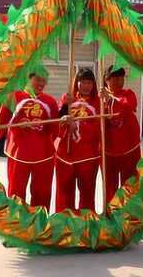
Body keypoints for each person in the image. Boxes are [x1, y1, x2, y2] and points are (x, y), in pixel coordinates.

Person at [0, 71, 58, 210]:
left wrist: (63, 121)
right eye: (37, 80)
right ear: (28, 78)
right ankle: (18, 226)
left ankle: (39, 224)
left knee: (42, 194)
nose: (41, 84)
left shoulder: (50, 101)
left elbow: (55, 129)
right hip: (18, 154)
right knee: (16, 194)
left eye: (44, 80)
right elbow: (1, 120)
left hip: (43, 155)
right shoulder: (14, 96)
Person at [55, 68, 102, 213]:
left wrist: (80, 126)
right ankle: (64, 224)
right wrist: (64, 111)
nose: (86, 86)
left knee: (87, 193)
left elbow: (99, 129)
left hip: (88, 156)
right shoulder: (67, 98)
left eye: (89, 83)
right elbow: (57, 122)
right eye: (83, 82)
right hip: (66, 155)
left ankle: (86, 225)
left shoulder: (98, 102)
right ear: (77, 83)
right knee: (64, 194)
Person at [102, 66, 141, 204]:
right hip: (108, 150)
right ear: (107, 80)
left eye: (121, 78)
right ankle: (111, 215)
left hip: (129, 148)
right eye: (115, 78)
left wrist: (110, 100)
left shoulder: (128, 94)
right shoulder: (99, 97)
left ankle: (128, 217)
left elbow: (127, 106)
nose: (119, 81)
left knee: (129, 185)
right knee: (109, 187)